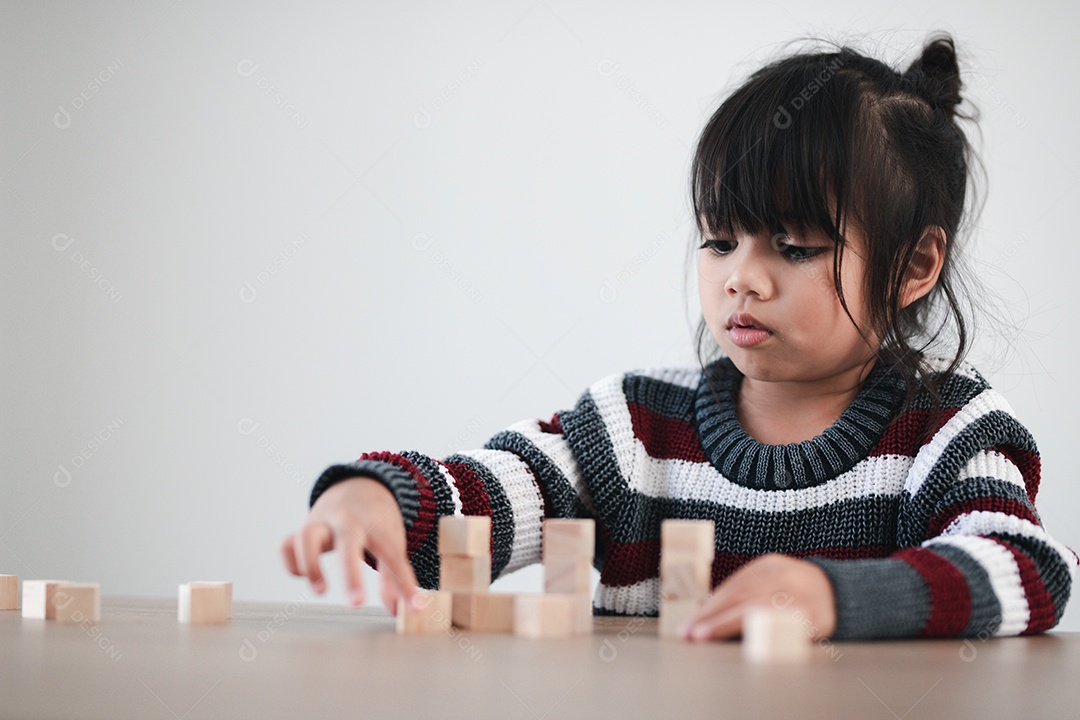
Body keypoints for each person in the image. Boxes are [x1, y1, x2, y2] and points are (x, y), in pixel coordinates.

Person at [281, 32, 1077, 641]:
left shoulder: (948, 430)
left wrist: (835, 597)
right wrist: (381, 499)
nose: (742, 278)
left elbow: (1030, 569)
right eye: (719, 241)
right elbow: (495, 493)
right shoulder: (636, 429)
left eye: (794, 248)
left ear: (914, 265)